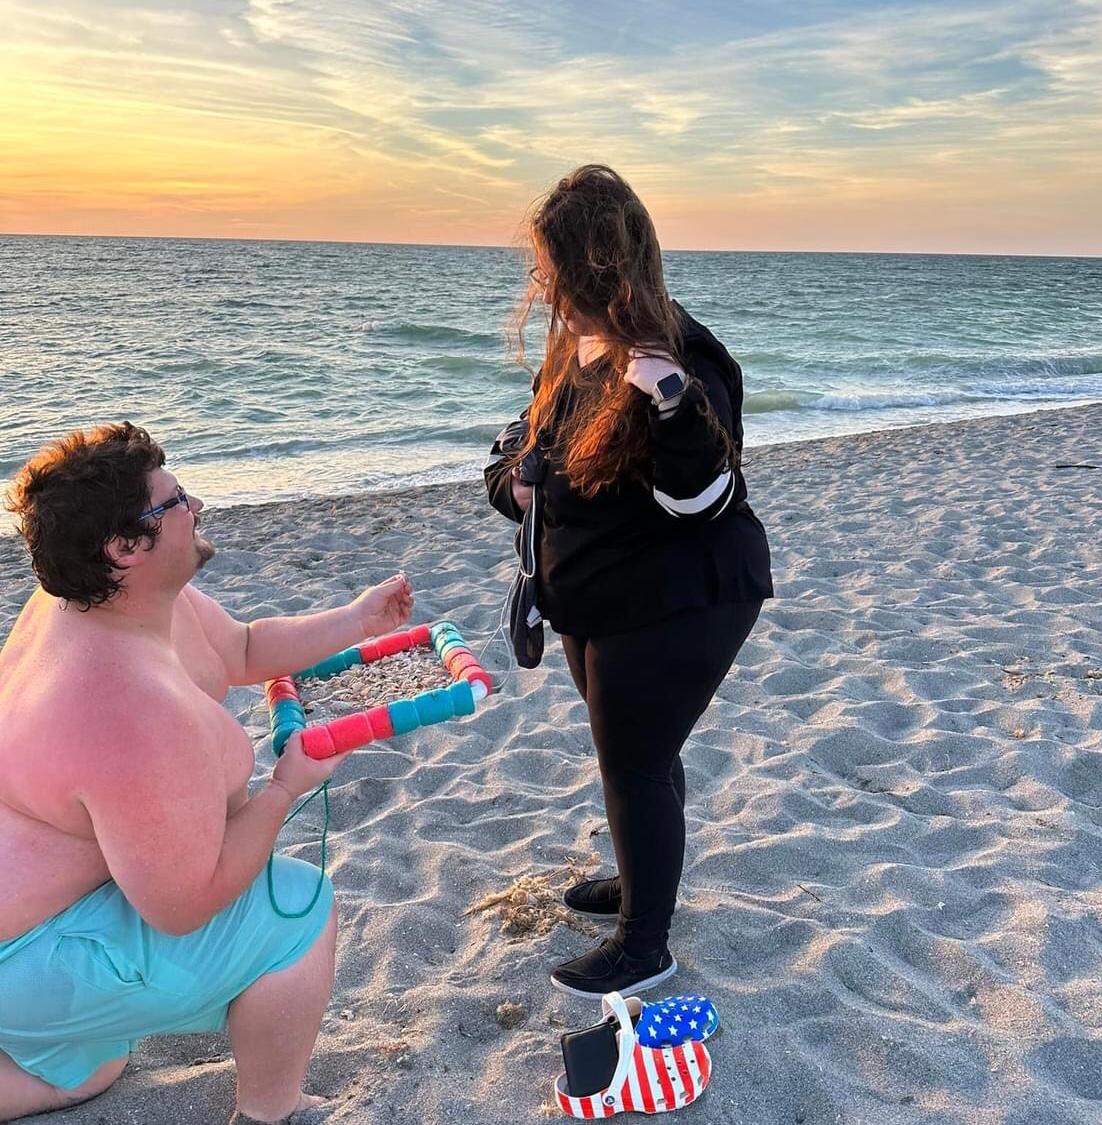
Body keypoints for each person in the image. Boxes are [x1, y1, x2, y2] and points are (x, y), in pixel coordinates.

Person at [0, 422, 413, 1123]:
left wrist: (356, 618)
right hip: (28, 958)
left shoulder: (93, 600)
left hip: (29, 935)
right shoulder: (127, 708)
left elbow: (244, 647)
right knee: (300, 905)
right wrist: (285, 788)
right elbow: (185, 905)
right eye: (176, 501)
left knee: (93, 1067)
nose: (196, 506)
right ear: (125, 547)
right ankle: (270, 1108)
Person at [485, 165, 773, 999]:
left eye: (551, 268)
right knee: (639, 750)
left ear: (592, 269)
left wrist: (671, 402)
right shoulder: (576, 352)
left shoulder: (681, 359)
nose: (541, 284)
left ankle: (644, 943)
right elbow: (516, 467)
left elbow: (702, 499)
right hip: (602, 598)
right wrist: (518, 481)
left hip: (685, 594)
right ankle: (642, 878)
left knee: (635, 759)